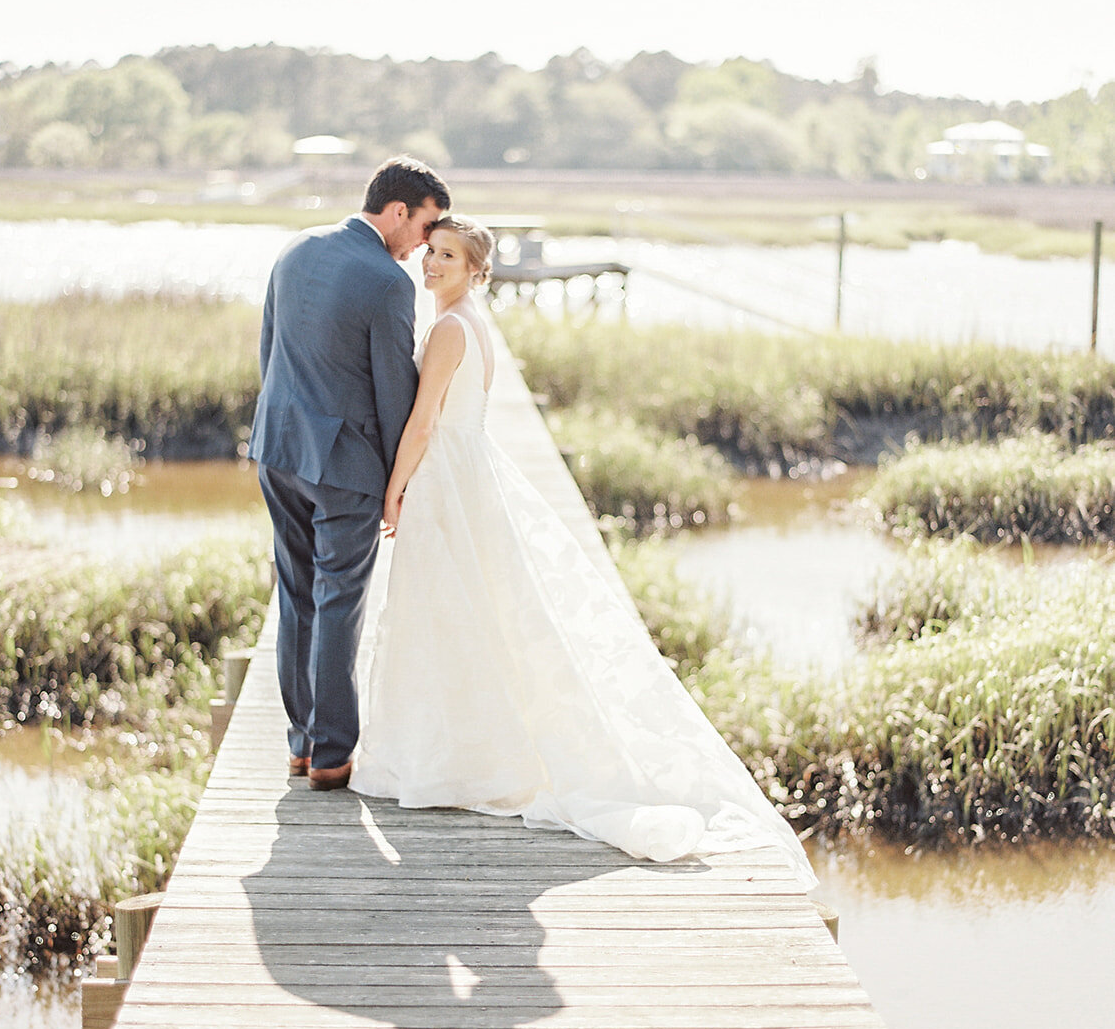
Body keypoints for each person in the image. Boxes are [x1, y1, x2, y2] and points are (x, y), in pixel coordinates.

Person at [352, 216, 817, 885]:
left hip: (447, 478)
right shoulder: (473, 322)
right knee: (466, 610)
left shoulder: (451, 328)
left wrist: (394, 492)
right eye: (431, 252)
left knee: (441, 609)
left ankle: (448, 752)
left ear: (477, 270)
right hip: (469, 471)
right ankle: (457, 742)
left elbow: (423, 423)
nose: (432, 263)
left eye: (448, 256)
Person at [248, 156, 450, 791]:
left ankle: (303, 745)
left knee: (297, 593)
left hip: (278, 448)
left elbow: (269, 350)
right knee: (339, 601)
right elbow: (395, 394)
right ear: (398, 212)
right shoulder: (390, 284)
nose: (426, 243)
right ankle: (332, 754)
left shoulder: (294, 249)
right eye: (426, 226)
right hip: (346, 467)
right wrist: (400, 482)